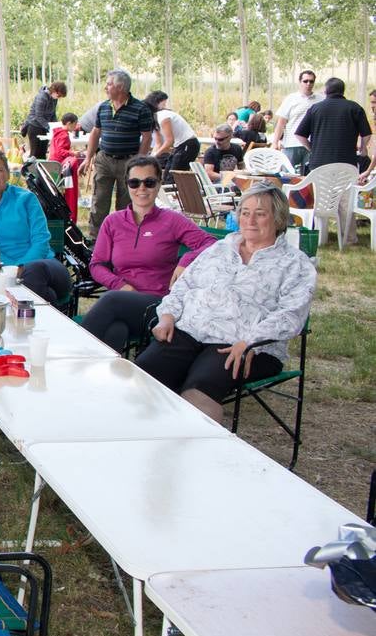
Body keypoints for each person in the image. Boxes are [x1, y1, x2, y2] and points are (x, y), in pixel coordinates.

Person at [136, 184, 315, 425]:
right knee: (142, 377)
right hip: (190, 331)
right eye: (245, 212)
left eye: (260, 214)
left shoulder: (295, 264)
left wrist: (251, 342)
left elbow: (292, 313)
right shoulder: (220, 249)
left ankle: (197, 456)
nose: (250, 220)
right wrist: (167, 316)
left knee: (200, 388)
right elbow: (184, 286)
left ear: (278, 219)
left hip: (243, 344)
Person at [80, 158, 216, 351]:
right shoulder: (113, 221)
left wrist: (186, 260)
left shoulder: (172, 220)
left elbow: (211, 243)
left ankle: (72, 352)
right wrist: (120, 285)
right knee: (115, 331)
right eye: (134, 182)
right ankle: (103, 378)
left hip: (157, 304)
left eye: (149, 182)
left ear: (159, 183)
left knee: (111, 300)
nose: (141, 188)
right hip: (122, 301)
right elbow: (97, 265)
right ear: (127, 185)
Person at [0, 147, 72, 303]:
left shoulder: (26, 199)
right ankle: (39, 317)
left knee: (34, 273)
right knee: (44, 294)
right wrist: (5, 271)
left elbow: (41, 241)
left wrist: (20, 268)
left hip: (42, 264)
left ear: (7, 174)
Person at [86, 69, 156, 234]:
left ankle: (122, 235)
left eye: (109, 84)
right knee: (99, 200)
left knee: (125, 202)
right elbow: (96, 132)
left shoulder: (140, 109)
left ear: (121, 87)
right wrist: (88, 158)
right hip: (104, 159)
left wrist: (138, 162)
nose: (106, 87)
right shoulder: (103, 107)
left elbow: (147, 138)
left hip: (128, 161)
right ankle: (96, 238)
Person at [294, 77, 372, 172]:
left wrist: (312, 149)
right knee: (345, 187)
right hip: (347, 163)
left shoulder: (315, 109)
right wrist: (363, 150)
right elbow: (366, 134)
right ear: (343, 91)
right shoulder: (355, 108)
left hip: (319, 163)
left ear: (326, 91)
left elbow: (299, 134)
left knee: (320, 187)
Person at [272, 70, 320, 171]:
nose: (308, 84)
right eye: (305, 81)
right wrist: (275, 142)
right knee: (286, 174)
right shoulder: (291, 99)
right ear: (300, 82)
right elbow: (281, 123)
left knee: (309, 176)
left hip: (312, 145)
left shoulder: (320, 99)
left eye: (311, 81)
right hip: (291, 143)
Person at [146, 90, 200, 172]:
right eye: (163, 103)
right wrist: (151, 157)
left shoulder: (163, 116)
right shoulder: (153, 120)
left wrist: (155, 155)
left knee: (174, 176)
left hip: (188, 144)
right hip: (179, 146)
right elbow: (158, 143)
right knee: (167, 175)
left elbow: (170, 141)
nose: (164, 106)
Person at [49, 112, 86, 220]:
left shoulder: (57, 132)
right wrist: (73, 153)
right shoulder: (64, 135)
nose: (76, 127)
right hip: (59, 164)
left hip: (52, 162)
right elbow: (61, 151)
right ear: (69, 123)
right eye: (74, 124)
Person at [23, 81, 68, 159]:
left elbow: (53, 114)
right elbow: (38, 116)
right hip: (35, 126)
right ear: (54, 90)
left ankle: (41, 170)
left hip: (44, 127)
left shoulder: (54, 99)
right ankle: (30, 170)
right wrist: (48, 127)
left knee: (43, 153)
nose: (59, 97)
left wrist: (56, 126)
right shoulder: (42, 97)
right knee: (35, 154)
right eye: (59, 95)